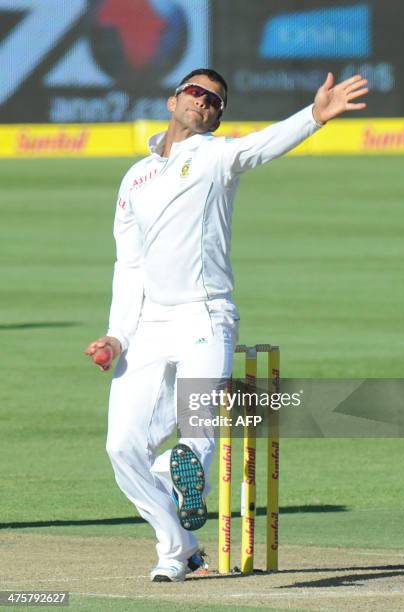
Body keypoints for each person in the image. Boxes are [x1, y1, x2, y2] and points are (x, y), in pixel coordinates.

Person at [85, 68, 368, 582]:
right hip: (148, 325)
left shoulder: (216, 156)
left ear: (218, 116)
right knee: (120, 446)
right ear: (173, 100)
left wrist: (314, 116)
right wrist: (117, 335)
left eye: (215, 101)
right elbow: (128, 266)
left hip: (205, 313)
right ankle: (178, 547)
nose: (204, 102)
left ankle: (180, 477)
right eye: (195, 92)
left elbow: (262, 145)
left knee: (199, 422)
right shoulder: (135, 178)